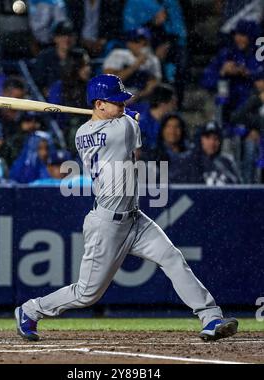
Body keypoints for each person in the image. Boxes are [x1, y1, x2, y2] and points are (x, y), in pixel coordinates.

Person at [15, 74, 238, 342]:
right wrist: (128, 117)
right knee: (87, 294)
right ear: (98, 104)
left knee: (172, 258)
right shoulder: (121, 128)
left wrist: (123, 115)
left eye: (122, 102)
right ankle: (30, 310)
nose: (122, 105)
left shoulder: (82, 132)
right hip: (106, 224)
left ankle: (210, 316)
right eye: (115, 102)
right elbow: (132, 136)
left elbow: (129, 141)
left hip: (135, 218)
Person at [202, 20, 262, 119]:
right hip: (228, 102)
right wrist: (223, 72)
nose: (238, 38)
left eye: (243, 35)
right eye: (237, 34)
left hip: (252, 105)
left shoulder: (259, 54)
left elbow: (260, 78)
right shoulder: (226, 54)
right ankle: (222, 125)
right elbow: (206, 81)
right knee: (221, 94)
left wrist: (248, 74)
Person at [48, 50, 91, 153]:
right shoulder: (59, 87)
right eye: (84, 65)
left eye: (88, 65)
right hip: (68, 132)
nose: (88, 69)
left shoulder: (90, 86)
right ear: (74, 66)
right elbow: (54, 114)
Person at [170, 121, 242, 185]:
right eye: (207, 138)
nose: (212, 142)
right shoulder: (188, 161)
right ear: (200, 139)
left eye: (216, 138)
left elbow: (239, 187)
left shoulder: (227, 162)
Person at [103, 28, 162, 103]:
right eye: (137, 41)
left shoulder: (153, 60)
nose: (141, 45)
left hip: (140, 100)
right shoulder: (118, 54)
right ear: (128, 43)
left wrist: (137, 96)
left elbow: (154, 85)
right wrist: (135, 66)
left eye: (145, 43)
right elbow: (109, 81)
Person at [230, 69, 264, 183]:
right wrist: (258, 100)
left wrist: (258, 127)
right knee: (250, 144)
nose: (259, 83)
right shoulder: (254, 98)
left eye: (261, 80)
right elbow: (236, 117)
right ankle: (247, 186)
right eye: (258, 80)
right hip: (258, 139)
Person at [32, 20, 78, 95]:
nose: (67, 38)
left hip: (73, 99)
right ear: (55, 38)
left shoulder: (79, 56)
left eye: (70, 35)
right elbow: (37, 82)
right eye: (63, 35)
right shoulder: (45, 56)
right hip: (48, 102)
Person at [139, 84, 177, 152]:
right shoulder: (141, 123)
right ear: (162, 103)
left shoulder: (172, 120)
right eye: (172, 101)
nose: (175, 103)